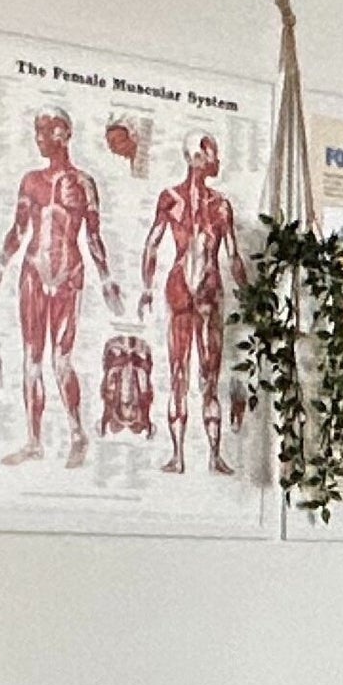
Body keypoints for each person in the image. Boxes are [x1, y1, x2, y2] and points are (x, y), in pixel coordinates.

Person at [0, 110, 118, 466]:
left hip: (68, 274)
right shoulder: (31, 181)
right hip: (33, 270)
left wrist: (107, 278)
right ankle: (34, 441)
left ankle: (77, 434)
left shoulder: (83, 182)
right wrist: (0, 264)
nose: (39, 138)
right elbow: (19, 229)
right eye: (37, 131)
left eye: (45, 131)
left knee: (60, 359)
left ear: (63, 133)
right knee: (32, 359)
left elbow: (93, 236)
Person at [141, 133, 243, 475]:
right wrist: (146, 288)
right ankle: (178, 455)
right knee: (179, 371)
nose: (217, 161)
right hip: (181, 288)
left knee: (209, 376)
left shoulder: (221, 205)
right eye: (212, 155)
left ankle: (213, 456)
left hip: (209, 291)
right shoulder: (171, 199)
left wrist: (249, 294)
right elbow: (153, 244)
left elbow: (232, 256)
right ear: (197, 158)